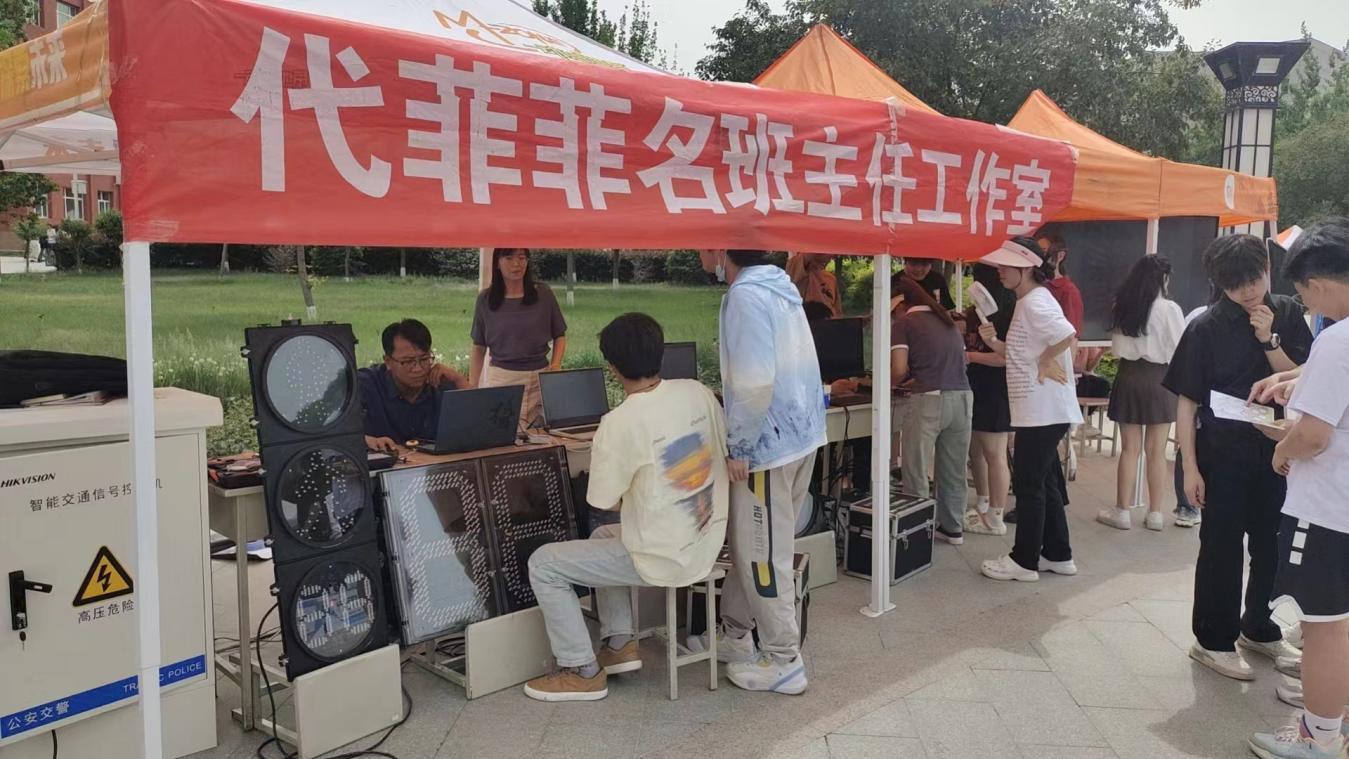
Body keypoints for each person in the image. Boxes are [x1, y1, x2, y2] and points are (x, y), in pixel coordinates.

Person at [522, 314, 729, 702]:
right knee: (604, 535)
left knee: (544, 564)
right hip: (705, 541)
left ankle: (580, 669)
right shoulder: (698, 391)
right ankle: (619, 643)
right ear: (660, 352)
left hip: (664, 556)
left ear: (612, 367)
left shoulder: (619, 421)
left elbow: (602, 501)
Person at [1163, 234, 1311, 681]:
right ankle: (1213, 640)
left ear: (1267, 270)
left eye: (1254, 279)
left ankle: (1259, 627)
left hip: (1278, 450)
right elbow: (1187, 401)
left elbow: (1303, 377)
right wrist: (1190, 467)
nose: (1247, 291)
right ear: (1219, 284)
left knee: (1272, 543)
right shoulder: (1205, 326)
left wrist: (1269, 340)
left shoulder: (1287, 311)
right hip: (1222, 453)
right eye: (1234, 284)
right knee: (1222, 546)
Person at [687, 249, 826, 695]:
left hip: (767, 447)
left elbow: (753, 380)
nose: (699, 252)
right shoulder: (779, 287)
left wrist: (741, 444)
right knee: (751, 546)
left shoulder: (746, 295)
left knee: (763, 557)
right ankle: (735, 634)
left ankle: (784, 659)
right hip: (801, 435)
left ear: (720, 249)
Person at [1247, 220, 1349, 758]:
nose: (1305, 302)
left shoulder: (1337, 338)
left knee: (1324, 627)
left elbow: (1313, 435)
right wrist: (1295, 378)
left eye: (1304, 292)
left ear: (1320, 283)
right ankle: (1333, 716)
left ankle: (1319, 737)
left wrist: (1280, 448)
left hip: (1329, 509)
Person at [975, 238, 1082, 583]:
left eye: (1005, 266)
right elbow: (1019, 353)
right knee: (1044, 483)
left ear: (1026, 267)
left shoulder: (1035, 302)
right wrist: (992, 342)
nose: (1000, 271)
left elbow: (1066, 334)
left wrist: (1048, 359)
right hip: (1041, 410)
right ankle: (1058, 554)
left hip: (1043, 410)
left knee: (1029, 485)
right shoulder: (1031, 301)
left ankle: (1024, 560)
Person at [1098, 256, 1185, 532]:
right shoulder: (1169, 308)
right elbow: (1180, 348)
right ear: (1163, 278)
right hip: (1160, 379)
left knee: (1129, 449)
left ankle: (1122, 511)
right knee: (1157, 451)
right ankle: (1155, 513)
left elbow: (1115, 349)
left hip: (1128, 376)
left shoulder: (1122, 305)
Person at [890, 277, 973, 544]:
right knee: (953, 469)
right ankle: (952, 527)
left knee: (915, 468)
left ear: (899, 305)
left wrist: (886, 384)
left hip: (928, 400)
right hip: (962, 397)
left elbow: (898, 369)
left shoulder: (904, 324)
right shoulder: (947, 322)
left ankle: (917, 534)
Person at [470, 248, 567, 429]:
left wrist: (555, 366)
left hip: (540, 378)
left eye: (522, 258)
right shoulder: (486, 299)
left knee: (543, 434)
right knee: (502, 433)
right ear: (497, 263)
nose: (517, 264)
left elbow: (560, 335)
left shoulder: (543, 293)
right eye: (509, 258)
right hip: (503, 380)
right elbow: (478, 346)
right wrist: (472, 387)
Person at [963, 263, 1016, 536]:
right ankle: (983, 501)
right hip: (976, 387)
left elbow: (1004, 358)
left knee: (995, 453)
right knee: (977, 450)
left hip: (996, 389)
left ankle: (996, 514)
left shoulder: (1010, 313)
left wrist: (970, 356)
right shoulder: (975, 312)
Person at [358, 319, 467, 452]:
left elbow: (481, 426)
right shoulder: (365, 385)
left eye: (424, 359)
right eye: (408, 362)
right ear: (388, 361)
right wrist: (365, 440)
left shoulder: (441, 382)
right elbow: (336, 432)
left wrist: (460, 380)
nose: (418, 369)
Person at [791, 253, 843, 317]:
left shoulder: (831, 278)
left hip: (828, 321)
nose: (833, 256)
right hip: (806, 321)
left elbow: (837, 312)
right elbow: (807, 256)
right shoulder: (795, 266)